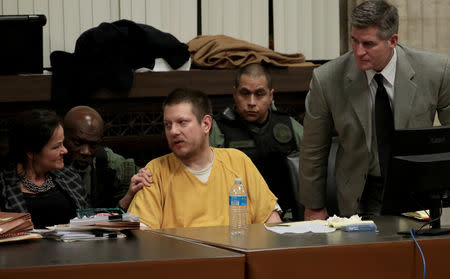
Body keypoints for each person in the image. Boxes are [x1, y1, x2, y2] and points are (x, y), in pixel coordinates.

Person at [300, 0, 450, 220]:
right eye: (355, 41)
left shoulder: (436, 71)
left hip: (417, 187)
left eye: (368, 44)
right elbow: (313, 148)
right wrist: (314, 206)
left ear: (393, 41)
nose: (359, 52)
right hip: (361, 190)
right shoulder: (327, 80)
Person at [128, 88, 282, 228]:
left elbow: (271, 221)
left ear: (206, 124)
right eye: (168, 124)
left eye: (182, 122)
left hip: (236, 257)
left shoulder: (237, 161)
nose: (173, 131)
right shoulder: (155, 171)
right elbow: (142, 235)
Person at [210, 63, 304, 220]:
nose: (251, 102)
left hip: (286, 217)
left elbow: (316, 163)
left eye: (259, 94)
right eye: (245, 94)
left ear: (271, 95)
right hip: (236, 218)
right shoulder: (218, 129)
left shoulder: (288, 126)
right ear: (234, 93)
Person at [0, 109, 88, 228]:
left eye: (63, 143)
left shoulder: (69, 176)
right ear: (31, 152)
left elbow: (89, 220)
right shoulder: (4, 185)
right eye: (56, 147)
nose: (65, 151)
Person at [63, 106, 151, 210]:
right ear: (63, 137)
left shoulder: (109, 162)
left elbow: (146, 177)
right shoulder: (51, 162)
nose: (86, 151)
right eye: (78, 143)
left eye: (93, 145)